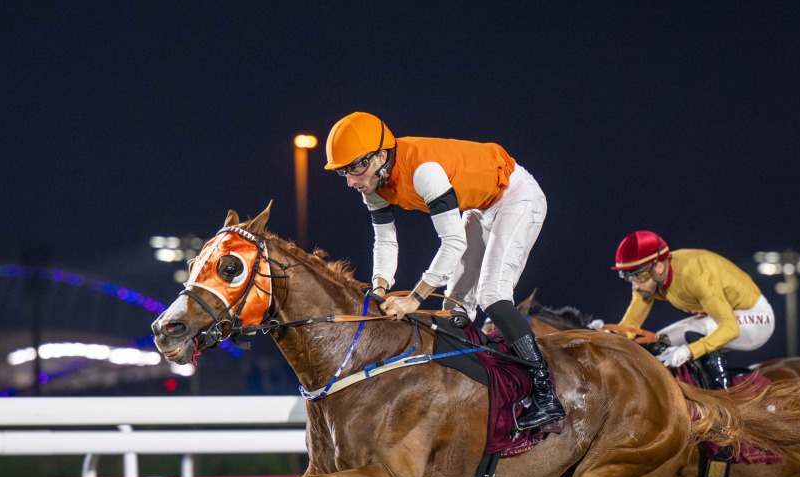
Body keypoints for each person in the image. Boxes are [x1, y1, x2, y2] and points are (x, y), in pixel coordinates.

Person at [323, 111, 564, 430]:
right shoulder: (375, 183)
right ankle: (484, 391)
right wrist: (379, 287)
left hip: (516, 198)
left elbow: (453, 245)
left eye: (356, 167)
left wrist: (414, 298)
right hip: (479, 206)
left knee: (492, 295)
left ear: (381, 156)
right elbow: (384, 240)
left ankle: (546, 395)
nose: (352, 180)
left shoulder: (425, 172)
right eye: (344, 172)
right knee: (455, 310)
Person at [611, 230, 775, 390]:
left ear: (659, 267)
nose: (635, 286)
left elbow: (729, 327)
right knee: (660, 341)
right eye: (628, 277)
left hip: (756, 317)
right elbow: (629, 326)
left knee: (694, 335)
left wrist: (689, 351)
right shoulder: (649, 280)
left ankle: (725, 397)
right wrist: (603, 337)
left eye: (638, 276)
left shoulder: (695, 276)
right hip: (724, 317)